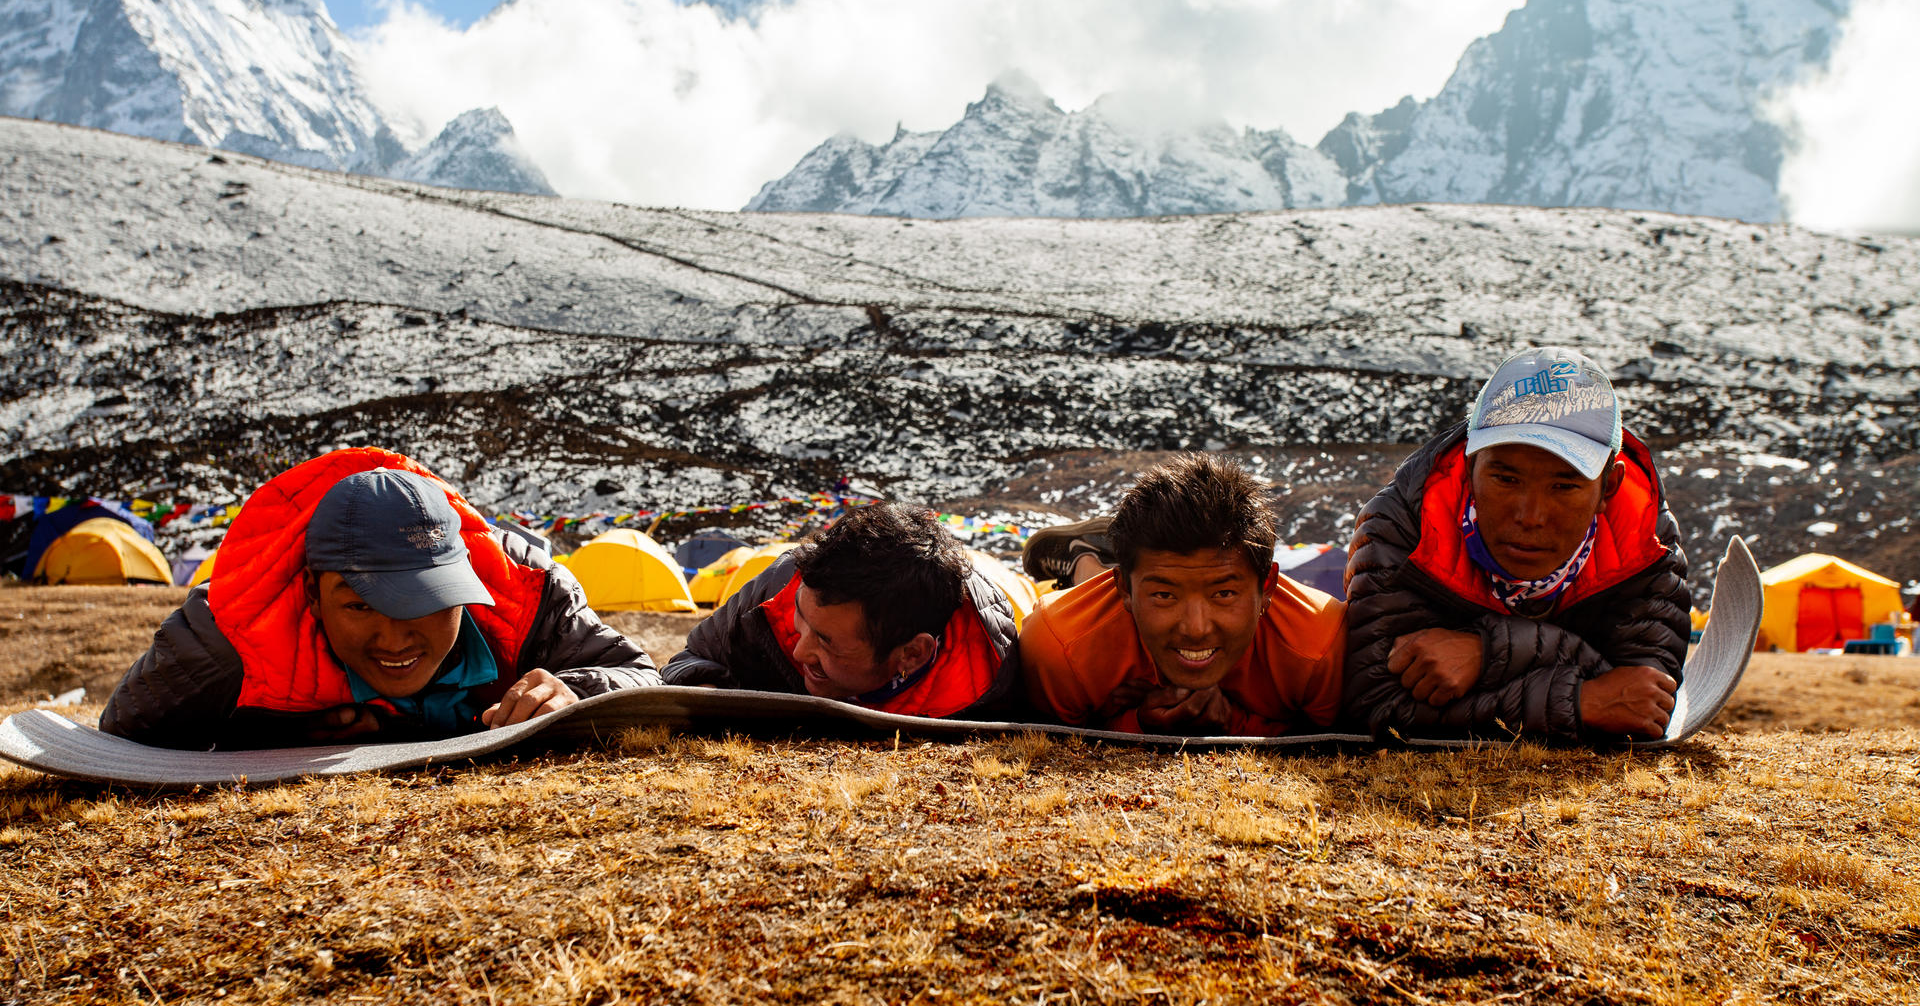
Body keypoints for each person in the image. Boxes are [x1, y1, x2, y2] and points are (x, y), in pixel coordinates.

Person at [101, 448, 660, 750]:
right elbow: (125, 734)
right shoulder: (230, 630)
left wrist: (576, 694)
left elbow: (644, 678)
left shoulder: (528, 593)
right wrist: (268, 733)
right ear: (312, 598)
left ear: (468, 586)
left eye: (425, 599)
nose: (394, 639)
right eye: (361, 605)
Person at [1342, 346, 1690, 743]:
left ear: (1608, 487)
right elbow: (1378, 706)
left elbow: (1640, 701)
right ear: (1471, 468)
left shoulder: (1644, 545)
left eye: (1564, 486)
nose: (1531, 515)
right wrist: (1579, 701)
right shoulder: (1406, 526)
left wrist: (1486, 653)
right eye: (1506, 480)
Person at [1019, 453, 1346, 736]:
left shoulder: (1321, 643)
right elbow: (1056, 746)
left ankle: (1094, 558)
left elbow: (1327, 750)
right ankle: (1085, 560)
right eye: (1164, 595)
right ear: (1125, 590)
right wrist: (1138, 723)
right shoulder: (1058, 646)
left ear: (1266, 588)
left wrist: (1232, 721)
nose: (1196, 628)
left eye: (1224, 593)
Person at [661, 502, 1020, 718]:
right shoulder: (780, 587)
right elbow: (690, 658)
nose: (801, 651)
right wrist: (712, 695)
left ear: (912, 653)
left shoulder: (987, 671)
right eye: (803, 619)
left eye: (827, 642)